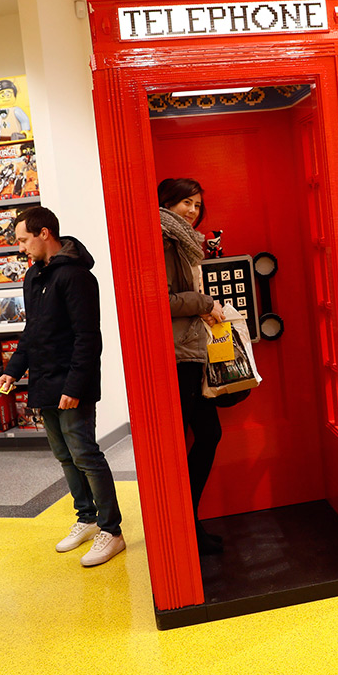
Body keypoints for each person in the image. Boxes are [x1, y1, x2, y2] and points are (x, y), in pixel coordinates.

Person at [0, 206, 124, 567]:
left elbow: (88, 337)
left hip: (72, 382)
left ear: (44, 233)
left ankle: (111, 530)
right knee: (64, 456)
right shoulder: (34, 276)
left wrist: (75, 385)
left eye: (24, 240)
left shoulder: (76, 277)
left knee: (85, 454)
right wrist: (14, 369)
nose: (21, 248)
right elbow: (33, 331)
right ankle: (85, 517)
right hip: (44, 379)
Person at [158, 178, 228, 556]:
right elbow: (162, 299)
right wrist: (205, 302)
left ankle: (189, 520)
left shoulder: (181, 240)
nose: (193, 211)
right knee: (203, 434)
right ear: (167, 202)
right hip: (178, 354)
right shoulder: (166, 239)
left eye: (198, 205)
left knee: (208, 434)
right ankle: (184, 524)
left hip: (190, 350)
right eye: (186, 202)